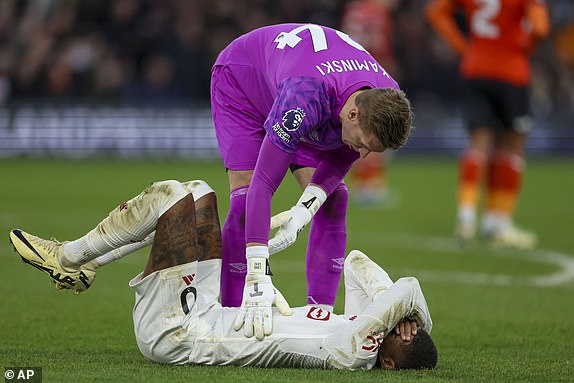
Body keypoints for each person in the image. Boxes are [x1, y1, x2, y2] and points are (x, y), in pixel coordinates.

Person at [9, 179, 437, 370]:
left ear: (388, 364)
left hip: (177, 334)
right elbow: (360, 264)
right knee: (199, 194)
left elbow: (407, 290)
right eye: (410, 328)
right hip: (209, 309)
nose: (403, 328)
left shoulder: (355, 353)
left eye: (405, 338)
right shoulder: (368, 327)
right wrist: (407, 319)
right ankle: (87, 266)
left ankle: (69, 257)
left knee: (172, 199)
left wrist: (412, 313)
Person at [210, 23, 414, 335]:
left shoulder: (384, 97)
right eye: (362, 143)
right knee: (244, 198)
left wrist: (304, 211)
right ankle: (233, 313)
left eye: (370, 150)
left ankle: (319, 318)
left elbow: (343, 155)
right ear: (353, 115)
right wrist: (258, 272)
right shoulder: (305, 96)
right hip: (243, 83)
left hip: (310, 95)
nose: (360, 154)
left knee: (333, 200)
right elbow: (265, 184)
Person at [425, 0, 550, 249]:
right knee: (512, 149)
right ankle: (498, 223)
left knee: (477, 145)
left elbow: (435, 12)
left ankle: (467, 215)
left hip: (477, 68)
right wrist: (525, 45)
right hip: (511, 71)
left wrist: (462, 46)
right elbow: (540, 27)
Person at [341, 0, 401, 206]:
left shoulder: (354, 9)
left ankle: (359, 183)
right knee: (378, 126)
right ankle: (371, 185)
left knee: (357, 126)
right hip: (372, 71)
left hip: (348, 70)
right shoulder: (377, 13)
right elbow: (381, 47)